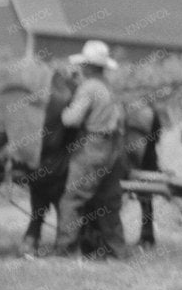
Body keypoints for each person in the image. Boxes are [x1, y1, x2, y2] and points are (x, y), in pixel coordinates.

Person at [52, 40, 127, 259]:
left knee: (72, 199)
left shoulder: (89, 88)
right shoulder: (108, 88)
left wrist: (64, 110)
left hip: (93, 148)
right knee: (109, 203)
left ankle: (65, 250)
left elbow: (72, 120)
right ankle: (119, 251)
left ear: (88, 66)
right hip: (115, 150)